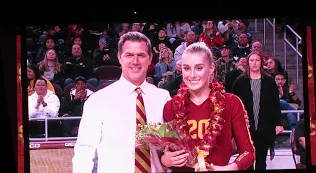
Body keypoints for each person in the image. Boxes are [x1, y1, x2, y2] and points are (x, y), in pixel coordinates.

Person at [72, 32, 171, 173]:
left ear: (149, 59)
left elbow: (170, 147)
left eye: (141, 55)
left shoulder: (163, 97)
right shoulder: (98, 100)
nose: (135, 61)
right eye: (129, 55)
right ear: (119, 58)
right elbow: (85, 150)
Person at [161, 42, 255, 172]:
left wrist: (228, 168)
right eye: (186, 68)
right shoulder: (171, 106)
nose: (192, 75)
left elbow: (248, 152)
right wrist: (165, 161)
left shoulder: (231, 102)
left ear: (211, 68)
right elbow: (165, 152)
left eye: (199, 68)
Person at [232, 52, 284, 170]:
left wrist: (278, 123)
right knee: (246, 160)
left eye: (257, 60)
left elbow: (275, 104)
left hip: (265, 127)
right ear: (248, 63)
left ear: (261, 63)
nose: (254, 63)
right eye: (251, 60)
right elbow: (233, 104)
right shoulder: (240, 81)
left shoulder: (269, 81)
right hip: (245, 127)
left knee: (261, 160)